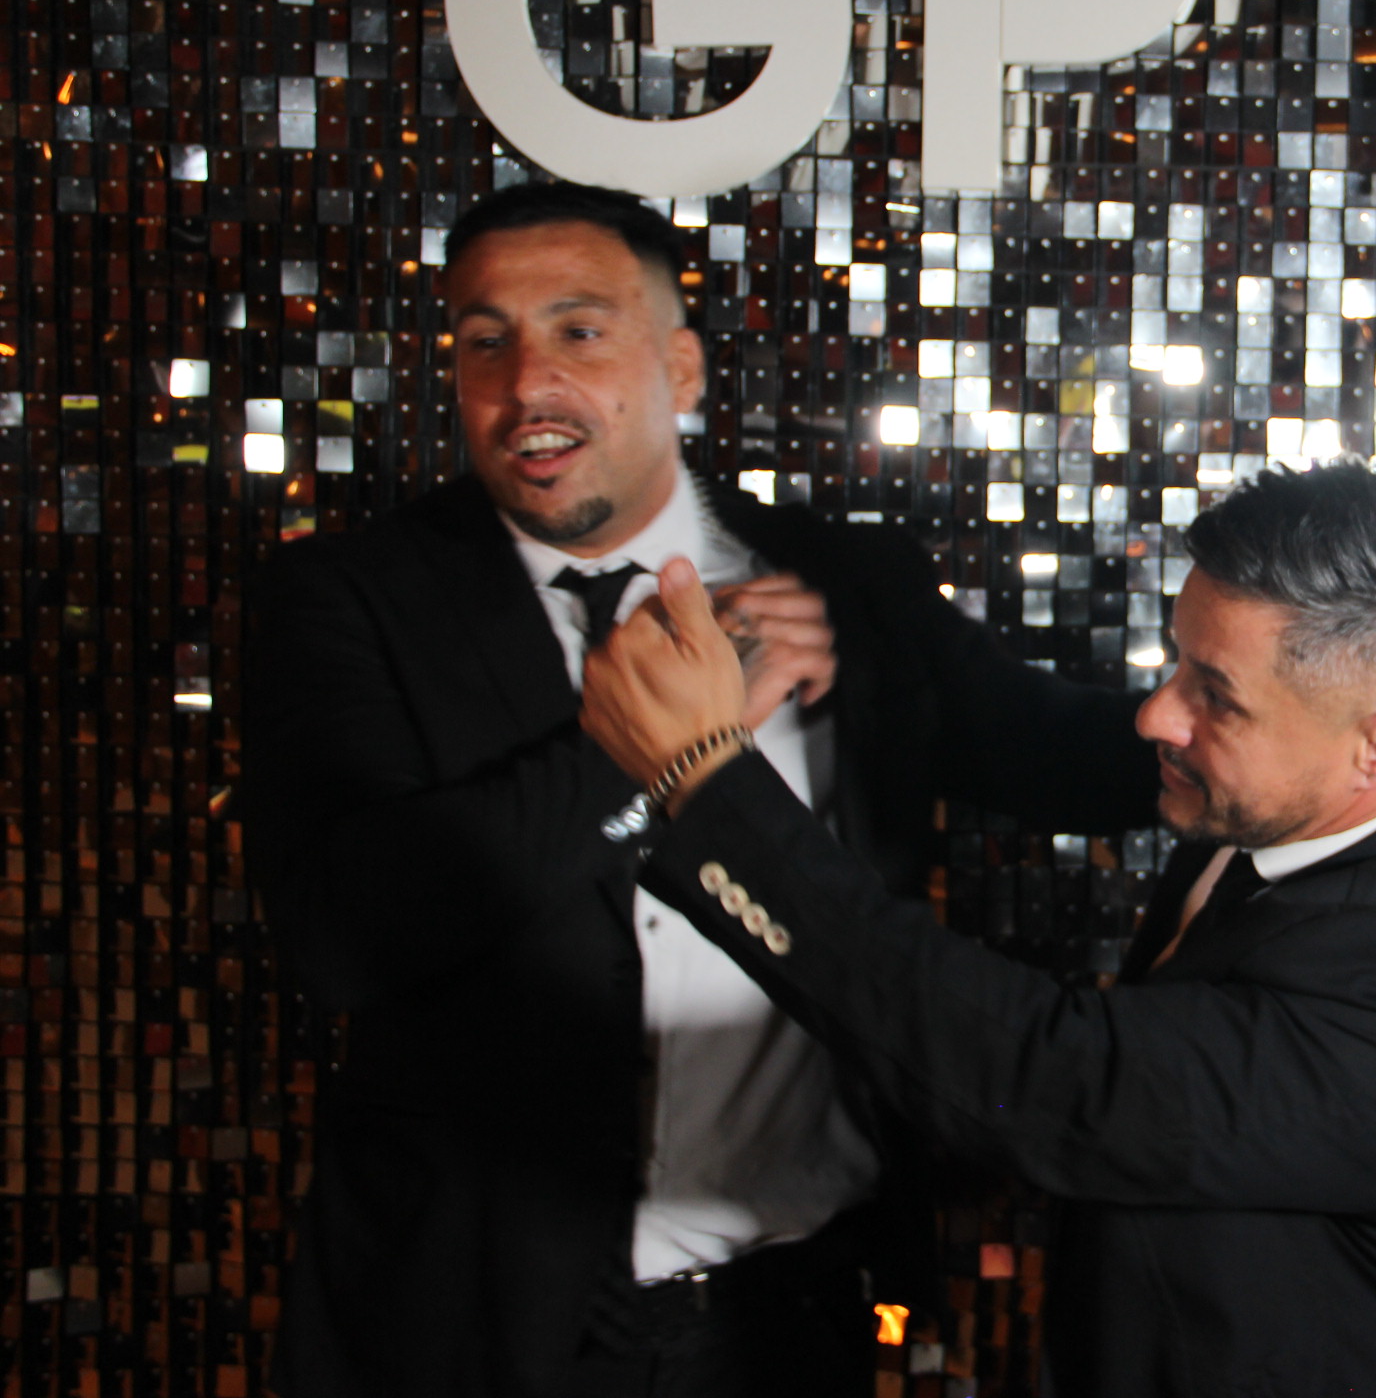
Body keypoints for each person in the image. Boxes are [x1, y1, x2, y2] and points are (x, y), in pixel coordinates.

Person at [242, 181, 1154, 1398]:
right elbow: (345, 937)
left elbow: (1061, 756)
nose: (527, 382)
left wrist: (1318, 712)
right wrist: (656, 739)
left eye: (579, 331)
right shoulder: (349, 599)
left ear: (679, 369)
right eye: (483, 341)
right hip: (483, 1322)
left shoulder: (842, 580)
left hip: (795, 1306)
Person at [581, 459, 1376, 1397]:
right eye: (1181, 663)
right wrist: (854, 632)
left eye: (1215, 697)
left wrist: (703, 784)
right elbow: (1036, 736)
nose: (1158, 715)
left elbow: (1040, 1076)